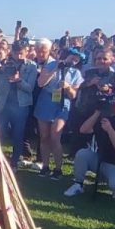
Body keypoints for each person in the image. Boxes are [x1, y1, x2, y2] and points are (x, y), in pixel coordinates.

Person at [64, 94, 115, 199]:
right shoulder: (111, 120)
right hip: (101, 160)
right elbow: (83, 130)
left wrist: (110, 130)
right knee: (82, 154)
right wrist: (97, 112)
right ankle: (78, 184)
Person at [33, 46, 83, 180]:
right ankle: (45, 166)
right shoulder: (50, 65)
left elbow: (73, 96)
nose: (72, 60)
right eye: (71, 57)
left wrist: (67, 87)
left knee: (55, 137)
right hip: (46, 101)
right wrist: (56, 69)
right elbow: (40, 83)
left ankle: (58, 168)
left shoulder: (76, 74)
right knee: (44, 136)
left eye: (76, 59)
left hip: (62, 103)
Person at [0, 40, 38, 170]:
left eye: (21, 53)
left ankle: (14, 162)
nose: (18, 55)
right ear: (12, 51)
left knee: (17, 134)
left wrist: (18, 80)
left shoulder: (31, 66)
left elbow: (30, 88)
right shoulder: (5, 63)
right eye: (16, 52)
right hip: (4, 103)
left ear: (27, 51)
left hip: (21, 105)